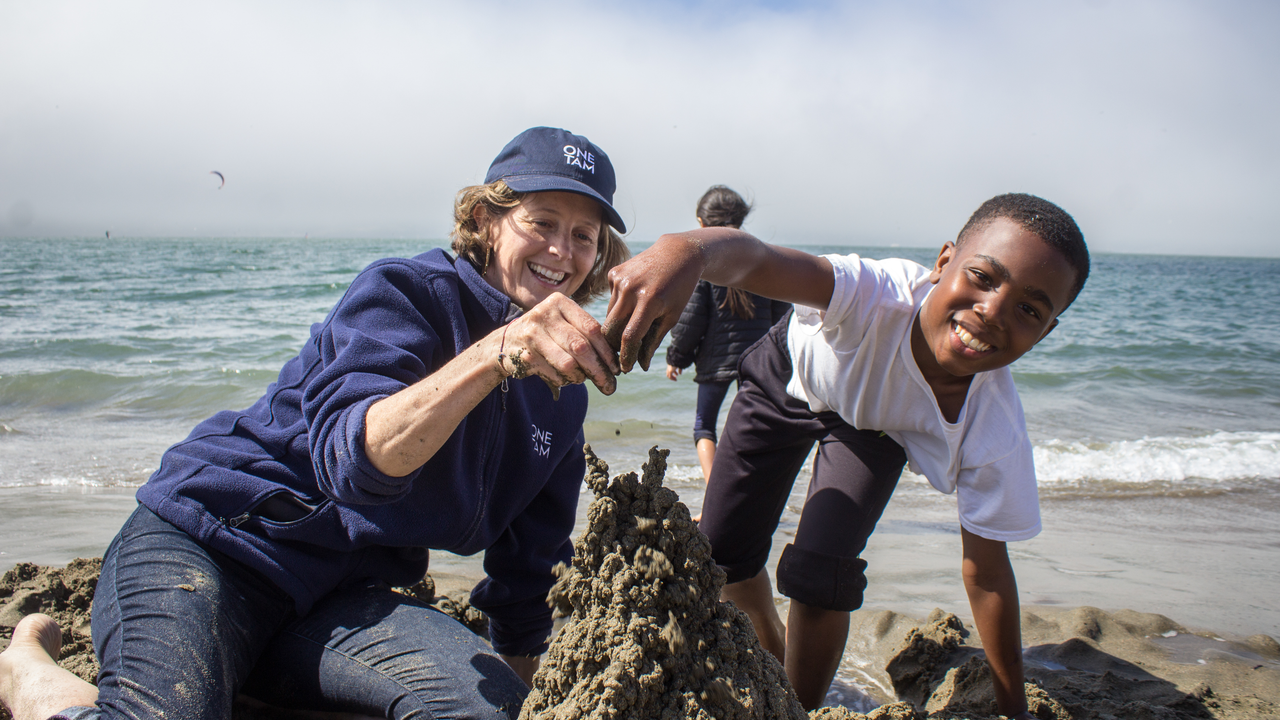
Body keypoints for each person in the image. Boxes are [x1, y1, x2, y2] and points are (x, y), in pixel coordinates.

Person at [0, 126, 631, 720]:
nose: (561, 251)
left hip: (340, 600)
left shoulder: (562, 395)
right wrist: (495, 356)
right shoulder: (404, 293)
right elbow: (352, 461)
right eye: (541, 222)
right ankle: (30, 674)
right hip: (211, 545)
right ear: (484, 222)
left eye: (584, 235)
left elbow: (527, 568)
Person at [602, 193, 1089, 718]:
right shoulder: (873, 293)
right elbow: (758, 260)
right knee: (724, 554)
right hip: (787, 380)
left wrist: (1013, 707)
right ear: (944, 262)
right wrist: (685, 251)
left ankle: (795, 708)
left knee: (822, 575)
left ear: (1047, 330)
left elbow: (988, 572)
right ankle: (769, 640)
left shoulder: (992, 426)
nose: (991, 311)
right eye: (983, 277)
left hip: (874, 427)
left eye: (1029, 310)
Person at [664, 186, 790, 485]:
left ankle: (715, 497)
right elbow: (781, 317)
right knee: (753, 432)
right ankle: (749, 495)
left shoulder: (704, 263)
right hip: (758, 363)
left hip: (716, 364)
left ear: (701, 222)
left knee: (704, 427)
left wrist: (677, 357)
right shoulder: (764, 257)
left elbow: (692, 319)